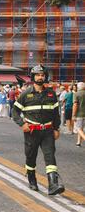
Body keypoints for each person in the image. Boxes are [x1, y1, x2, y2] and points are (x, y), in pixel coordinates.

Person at [12, 64, 64, 195]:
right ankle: (32, 180)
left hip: (47, 131)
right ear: (33, 77)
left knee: (50, 156)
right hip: (31, 132)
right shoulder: (25, 94)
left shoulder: (51, 94)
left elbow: (56, 113)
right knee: (31, 157)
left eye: (42, 75)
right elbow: (15, 111)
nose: (40, 77)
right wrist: (22, 124)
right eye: (38, 75)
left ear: (45, 77)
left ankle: (53, 184)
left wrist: (56, 128)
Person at [72, 82, 85, 147]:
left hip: (79, 114)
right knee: (81, 128)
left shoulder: (76, 94)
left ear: (78, 87)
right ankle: (78, 142)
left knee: (78, 128)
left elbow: (75, 105)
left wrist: (73, 115)